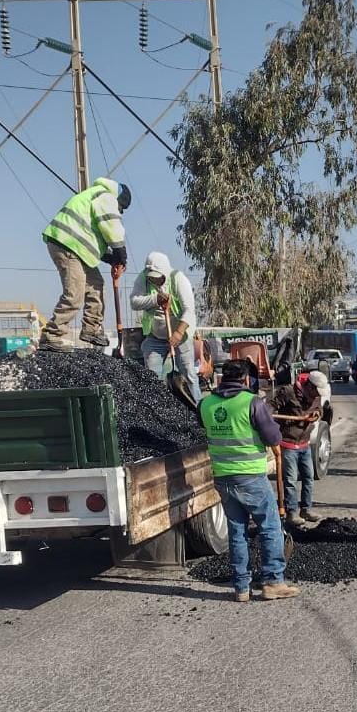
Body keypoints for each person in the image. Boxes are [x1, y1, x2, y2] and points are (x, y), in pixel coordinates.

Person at [199, 361, 301, 602]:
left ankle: (241, 587)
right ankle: (273, 581)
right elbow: (273, 436)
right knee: (270, 526)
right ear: (245, 380)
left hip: (222, 476)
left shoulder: (206, 404)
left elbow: (205, 426)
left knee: (237, 530)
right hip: (250, 475)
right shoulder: (252, 402)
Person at [40, 177, 130, 351]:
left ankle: (92, 329)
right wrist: (121, 253)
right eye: (121, 209)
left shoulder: (93, 196)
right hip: (66, 243)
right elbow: (111, 226)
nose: (120, 212)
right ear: (120, 201)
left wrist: (112, 258)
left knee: (96, 285)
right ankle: (51, 335)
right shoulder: (106, 197)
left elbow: (89, 237)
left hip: (74, 245)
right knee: (75, 293)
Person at [129, 252, 201, 401]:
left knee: (188, 374)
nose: (153, 280)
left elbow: (189, 311)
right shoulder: (143, 278)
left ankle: (197, 411)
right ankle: (157, 411)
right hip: (155, 337)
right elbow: (134, 302)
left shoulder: (178, 279)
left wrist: (178, 333)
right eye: (151, 277)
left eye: (157, 277)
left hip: (181, 336)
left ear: (165, 272)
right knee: (151, 378)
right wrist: (155, 299)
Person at [269, 380, 322, 526]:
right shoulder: (288, 392)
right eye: (315, 393)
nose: (316, 397)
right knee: (291, 480)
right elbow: (270, 407)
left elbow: (320, 409)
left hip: (304, 443)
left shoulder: (316, 395)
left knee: (308, 477)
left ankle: (306, 509)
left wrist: (316, 414)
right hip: (288, 443)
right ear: (310, 387)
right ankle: (291, 512)